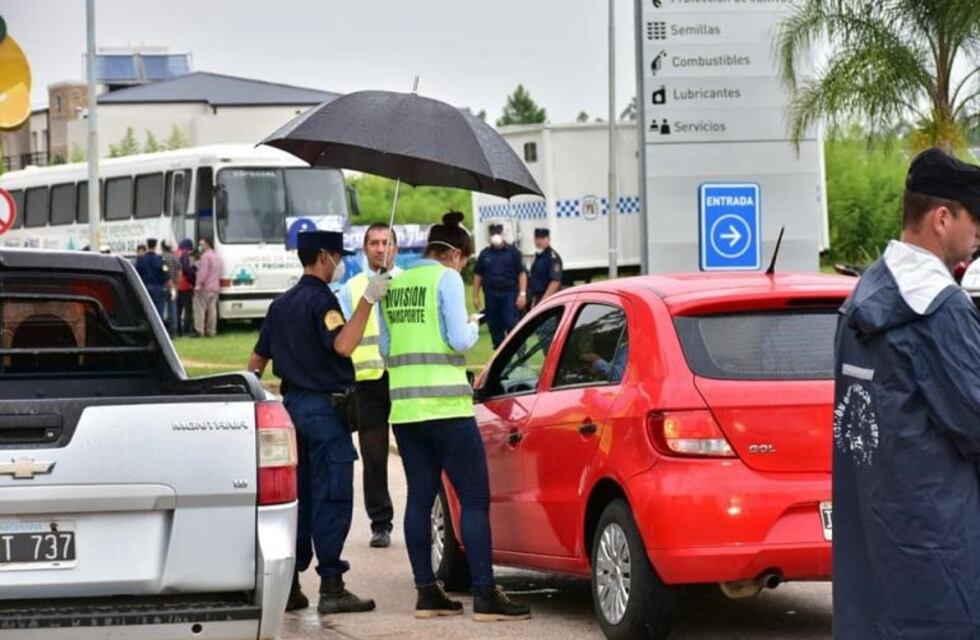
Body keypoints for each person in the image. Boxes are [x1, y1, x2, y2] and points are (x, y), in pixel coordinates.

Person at [833, 147, 980, 639]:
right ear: (942, 218)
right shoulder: (940, 312)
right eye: (975, 218)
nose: (978, 233)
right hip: (941, 564)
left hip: (871, 555)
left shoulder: (860, 300)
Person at [379, 212, 531, 622]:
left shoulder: (391, 282)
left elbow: (386, 350)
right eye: (463, 260)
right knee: (476, 499)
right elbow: (458, 339)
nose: (462, 267)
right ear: (453, 254)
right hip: (447, 408)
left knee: (419, 499)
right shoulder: (445, 279)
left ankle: (427, 593)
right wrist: (472, 323)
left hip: (407, 410)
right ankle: (485, 595)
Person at [247, 230, 390, 615]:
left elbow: (255, 363)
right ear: (324, 256)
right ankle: (331, 585)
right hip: (324, 415)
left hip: (291, 410)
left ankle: (290, 586)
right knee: (332, 497)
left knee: (298, 500)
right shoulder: (322, 300)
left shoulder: (280, 304)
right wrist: (367, 301)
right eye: (337, 256)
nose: (340, 262)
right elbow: (343, 345)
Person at [338, 223, 400, 549]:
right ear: (365, 249)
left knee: (417, 455)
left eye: (386, 242)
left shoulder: (407, 281)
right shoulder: (351, 287)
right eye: (374, 243)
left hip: (403, 379)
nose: (380, 248)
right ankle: (381, 523)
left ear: (396, 248)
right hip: (367, 383)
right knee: (374, 458)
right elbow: (345, 333)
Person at [472, 223, 527, 348]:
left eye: (497, 233)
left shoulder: (513, 252)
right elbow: (478, 275)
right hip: (491, 295)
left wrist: (522, 294)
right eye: (493, 233)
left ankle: (520, 355)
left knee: (512, 324)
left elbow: (522, 273)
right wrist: (475, 295)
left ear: (503, 234)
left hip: (509, 294)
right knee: (494, 326)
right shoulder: (485, 254)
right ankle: (499, 356)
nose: (495, 236)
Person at [193, 237, 221, 338]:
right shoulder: (216, 256)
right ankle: (211, 331)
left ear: (207, 244)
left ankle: (199, 330)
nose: (200, 247)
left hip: (204, 288)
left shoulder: (205, 257)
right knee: (212, 310)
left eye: (202, 245)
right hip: (215, 287)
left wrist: (199, 284)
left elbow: (202, 272)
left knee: (200, 310)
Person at [135, 238, 169, 320]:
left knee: (145, 310)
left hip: (144, 287)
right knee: (159, 310)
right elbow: (165, 273)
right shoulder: (160, 259)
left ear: (147, 245)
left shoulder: (140, 260)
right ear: (155, 246)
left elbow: (137, 273)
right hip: (158, 287)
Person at [528, 228, 562, 307]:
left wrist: (543, 302)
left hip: (549, 298)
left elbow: (555, 282)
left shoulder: (552, 257)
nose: (539, 241)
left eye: (543, 238)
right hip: (537, 297)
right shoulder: (538, 256)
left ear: (548, 239)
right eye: (537, 238)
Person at [176, 239, 197, 337]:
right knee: (188, 309)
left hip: (176, 285)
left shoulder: (176, 253)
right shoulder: (184, 254)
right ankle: (187, 330)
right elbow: (186, 269)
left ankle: (178, 330)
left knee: (177, 310)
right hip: (185, 285)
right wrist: (193, 273)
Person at [160, 240, 181, 335]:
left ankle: (164, 328)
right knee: (173, 308)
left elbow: (162, 271)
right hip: (174, 286)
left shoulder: (162, 257)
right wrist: (177, 283)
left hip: (164, 285)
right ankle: (174, 329)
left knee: (162, 308)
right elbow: (180, 270)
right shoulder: (175, 257)